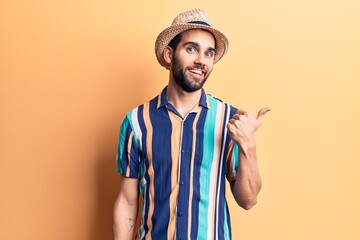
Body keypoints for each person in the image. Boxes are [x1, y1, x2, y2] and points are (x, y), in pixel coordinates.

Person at [113, 9, 270, 240]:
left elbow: (248, 200)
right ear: (169, 54)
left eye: (209, 53)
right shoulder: (136, 122)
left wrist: (248, 145)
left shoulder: (229, 120)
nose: (201, 60)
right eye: (191, 49)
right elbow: (126, 201)